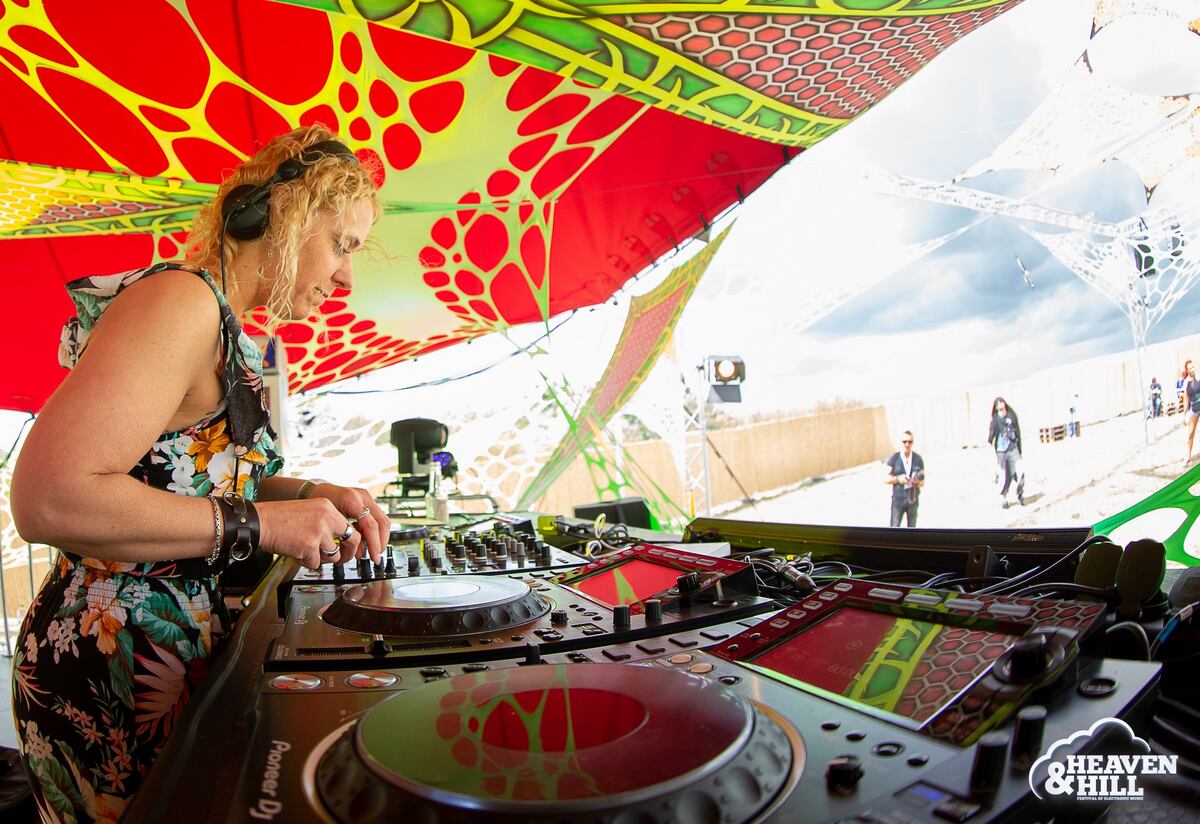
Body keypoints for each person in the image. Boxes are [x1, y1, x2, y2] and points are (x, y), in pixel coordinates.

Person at [8, 125, 387, 820]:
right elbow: (49, 498)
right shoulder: (181, 303)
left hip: (156, 654)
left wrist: (309, 494)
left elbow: (186, 479)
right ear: (285, 213)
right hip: (110, 660)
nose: (347, 279)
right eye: (342, 244)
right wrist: (263, 523)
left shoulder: (224, 326)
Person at [987, 397, 1025, 508]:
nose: (1000, 405)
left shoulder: (1011, 415)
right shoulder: (995, 420)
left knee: (1020, 471)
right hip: (1001, 452)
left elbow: (1017, 431)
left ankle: (1019, 492)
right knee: (1004, 476)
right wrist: (989, 442)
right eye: (998, 404)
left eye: (1001, 402)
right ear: (995, 407)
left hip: (1013, 448)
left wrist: (1020, 448)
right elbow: (992, 433)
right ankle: (1004, 499)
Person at [885, 430, 924, 527]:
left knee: (912, 530)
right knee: (894, 528)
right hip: (898, 500)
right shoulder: (894, 458)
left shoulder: (918, 459)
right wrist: (898, 479)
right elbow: (885, 478)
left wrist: (916, 481)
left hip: (913, 500)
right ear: (901, 442)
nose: (907, 444)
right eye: (904, 442)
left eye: (910, 442)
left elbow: (922, 482)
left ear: (912, 443)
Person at [1185, 361, 1200, 462]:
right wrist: (1185, 414)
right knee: (1191, 434)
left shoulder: (1198, 377)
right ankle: (1188, 456)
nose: (1192, 370)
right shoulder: (1186, 382)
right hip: (1194, 408)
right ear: (1187, 370)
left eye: (1193, 367)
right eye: (1190, 368)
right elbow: (1186, 399)